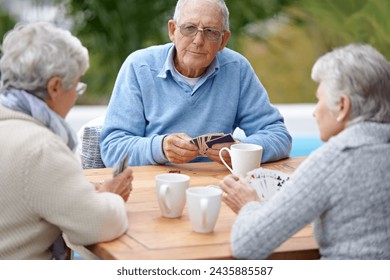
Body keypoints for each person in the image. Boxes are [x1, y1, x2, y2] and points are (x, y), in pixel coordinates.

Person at [219, 44, 390, 259]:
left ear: (343, 106)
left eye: (320, 100)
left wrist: (248, 204)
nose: (315, 112)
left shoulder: (333, 161)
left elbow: (246, 245)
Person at [100, 0, 292, 167]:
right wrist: (159, 148)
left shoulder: (237, 69)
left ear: (223, 40)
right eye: (189, 28)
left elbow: (279, 136)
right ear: (173, 31)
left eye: (210, 32)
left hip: (217, 186)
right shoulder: (139, 66)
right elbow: (112, 149)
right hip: (155, 182)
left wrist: (240, 149)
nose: (198, 41)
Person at [0, 22, 133, 260]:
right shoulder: (40, 148)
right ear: (54, 87)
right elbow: (100, 224)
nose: (75, 96)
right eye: (78, 86)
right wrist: (111, 194)